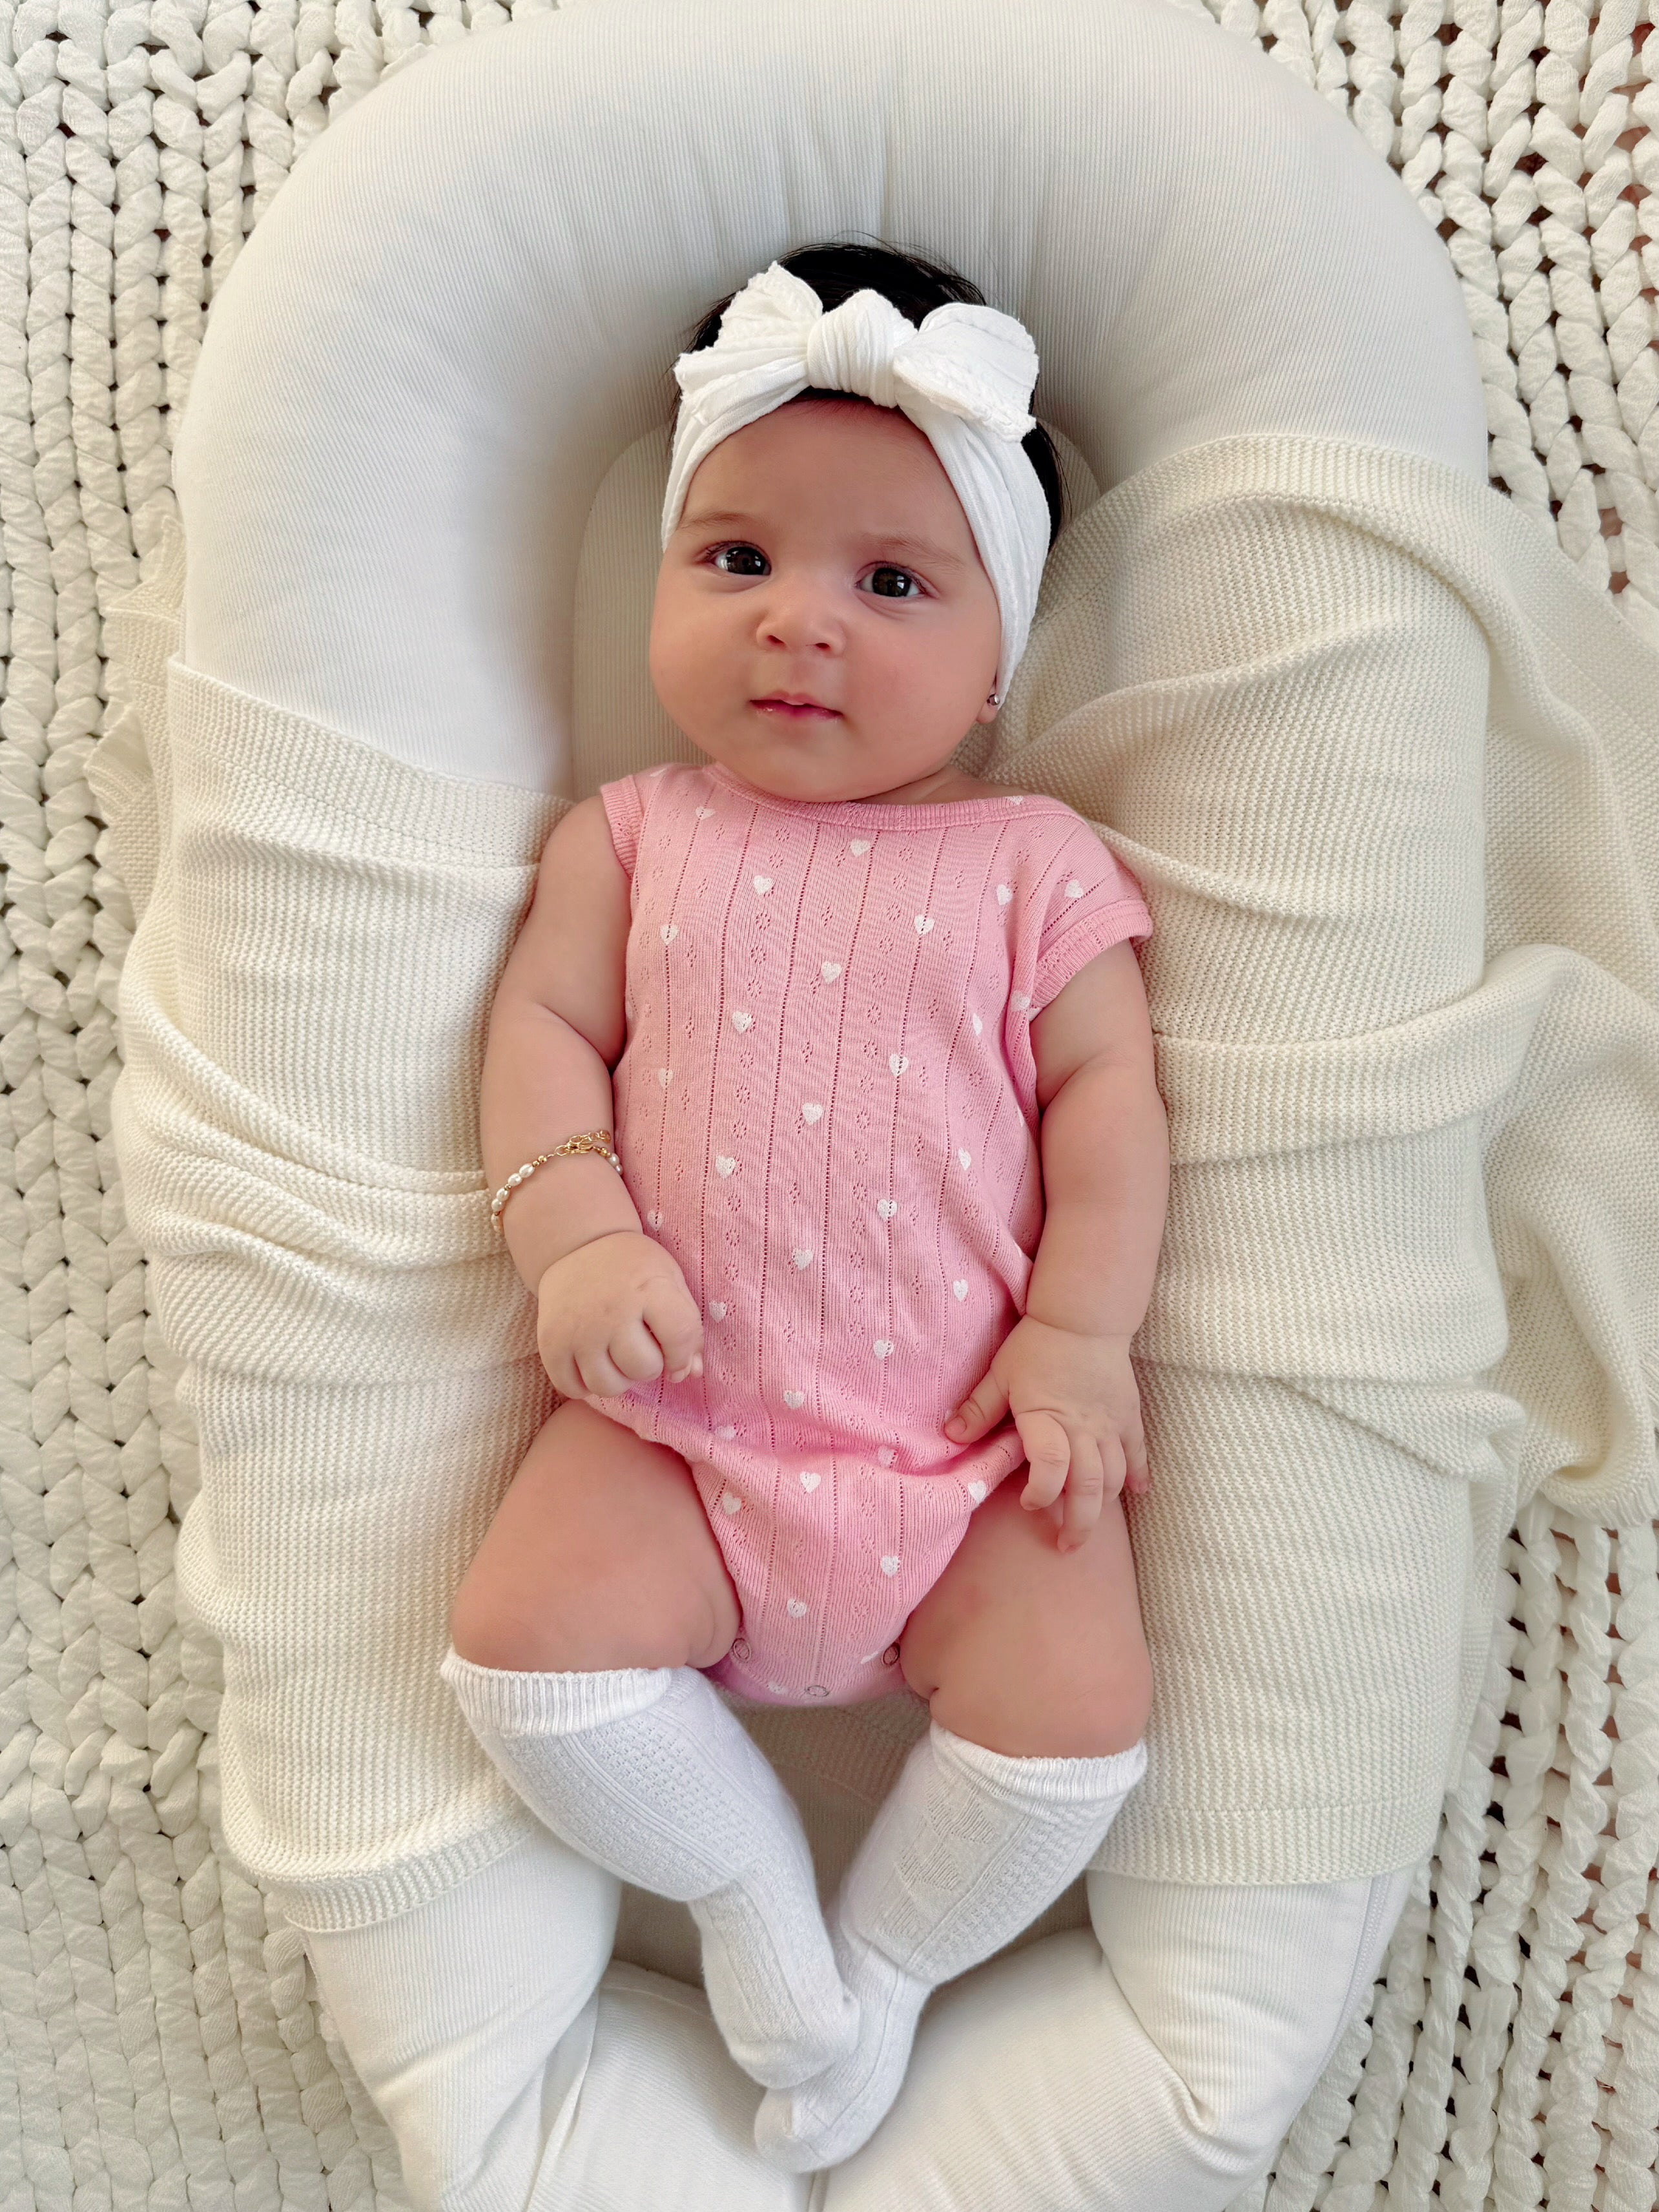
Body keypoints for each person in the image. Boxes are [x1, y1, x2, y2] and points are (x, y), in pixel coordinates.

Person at [441, 241, 1166, 2172]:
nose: (797, 627)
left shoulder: (1032, 857)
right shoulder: (632, 834)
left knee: (1078, 1708)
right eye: (735, 561)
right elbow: (539, 1029)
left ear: (998, 654)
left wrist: (1078, 1330)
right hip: (677, 1434)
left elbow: (1109, 1101)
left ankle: (887, 1959)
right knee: (526, 1639)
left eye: (890, 584)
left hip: (963, 1458)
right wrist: (570, 1232)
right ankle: (757, 1907)